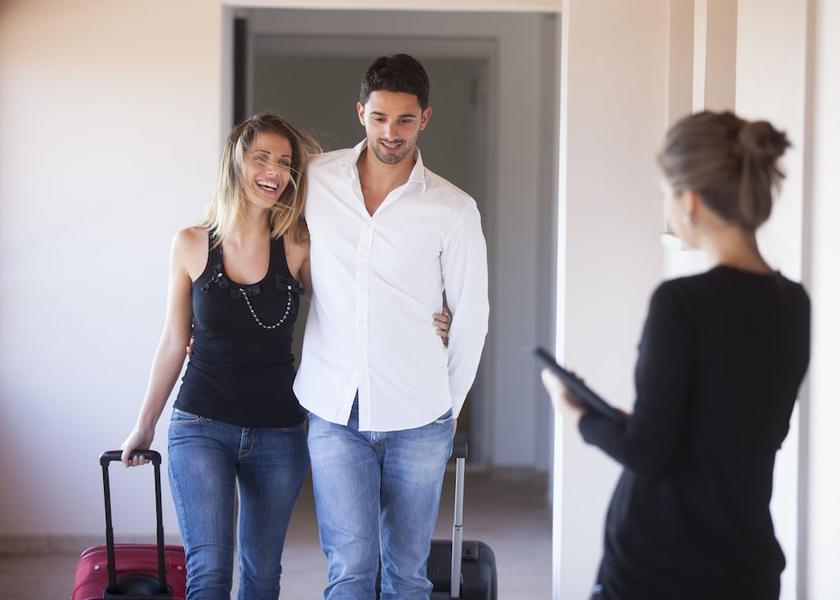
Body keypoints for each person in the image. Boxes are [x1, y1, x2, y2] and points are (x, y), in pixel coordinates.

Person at [117, 111, 453, 599]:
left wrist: (434, 317)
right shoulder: (190, 244)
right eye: (260, 158)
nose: (272, 171)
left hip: (279, 433)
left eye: (284, 162)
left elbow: (354, 306)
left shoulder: (297, 246)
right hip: (201, 426)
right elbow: (173, 340)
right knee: (208, 572)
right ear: (237, 162)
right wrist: (144, 425)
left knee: (261, 574)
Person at [541, 111, 810, 600]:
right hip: (748, 567)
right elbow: (750, 431)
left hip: (661, 565)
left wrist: (575, 412)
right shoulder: (794, 303)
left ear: (689, 200)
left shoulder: (681, 302)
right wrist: (645, 422)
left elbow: (649, 452)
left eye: (665, 194)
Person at [294, 54, 489, 599]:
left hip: (420, 414)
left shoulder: (454, 208)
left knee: (406, 573)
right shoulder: (314, 178)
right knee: (350, 569)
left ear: (425, 118)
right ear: (361, 112)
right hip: (334, 407)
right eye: (379, 117)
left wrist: (450, 402)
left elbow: (473, 313)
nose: (391, 132)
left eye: (404, 120)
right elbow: (258, 232)